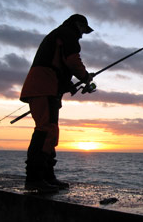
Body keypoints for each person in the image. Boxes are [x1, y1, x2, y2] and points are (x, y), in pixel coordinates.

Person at [20, 14, 94, 192]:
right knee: (45, 130)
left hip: (45, 87)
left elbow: (58, 65)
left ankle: (47, 177)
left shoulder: (58, 35)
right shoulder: (68, 34)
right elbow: (72, 61)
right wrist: (85, 77)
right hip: (43, 86)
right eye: (84, 29)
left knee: (50, 131)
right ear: (78, 24)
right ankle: (35, 179)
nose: (83, 34)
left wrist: (68, 85)